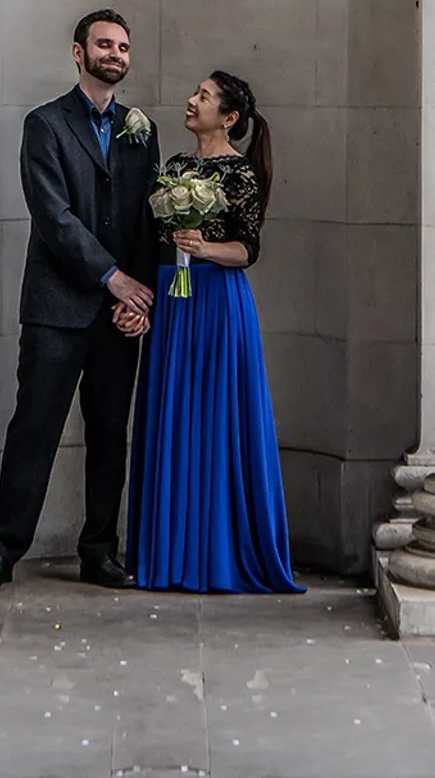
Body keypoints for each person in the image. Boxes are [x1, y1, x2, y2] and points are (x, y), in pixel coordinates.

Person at [0, 9, 161, 591]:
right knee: (35, 430)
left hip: (118, 316)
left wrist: (140, 298)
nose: (116, 54)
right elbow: (54, 218)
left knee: (109, 436)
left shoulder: (140, 131)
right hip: (57, 310)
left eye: (123, 47)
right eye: (105, 44)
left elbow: (150, 220)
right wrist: (113, 278)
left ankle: (100, 551)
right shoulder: (45, 125)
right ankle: (3, 552)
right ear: (79, 53)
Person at [115, 71, 303, 593]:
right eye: (194, 93)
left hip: (218, 304)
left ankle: (214, 556)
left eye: (203, 96)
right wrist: (142, 300)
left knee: (217, 420)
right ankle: (168, 557)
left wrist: (203, 250)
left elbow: (247, 250)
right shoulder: (174, 167)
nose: (191, 101)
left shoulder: (240, 174)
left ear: (229, 117)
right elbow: (151, 241)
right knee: (170, 414)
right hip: (173, 303)